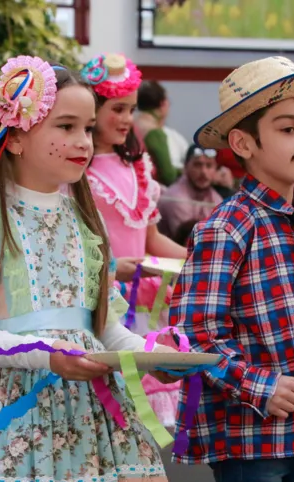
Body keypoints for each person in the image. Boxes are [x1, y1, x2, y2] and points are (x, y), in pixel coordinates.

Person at [0, 58, 175, 482]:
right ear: (14, 137)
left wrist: (150, 355)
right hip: (9, 415)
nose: (83, 142)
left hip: (88, 420)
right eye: (66, 126)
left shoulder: (88, 223)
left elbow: (103, 330)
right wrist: (45, 356)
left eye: (88, 129)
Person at [170, 56, 294, 482]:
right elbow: (195, 332)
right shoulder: (227, 228)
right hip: (250, 434)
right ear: (242, 143)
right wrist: (259, 386)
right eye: (288, 128)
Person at [81, 53, 189, 429]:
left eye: (131, 109)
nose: (128, 119)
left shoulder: (138, 167)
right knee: (106, 405)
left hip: (142, 302)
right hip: (101, 299)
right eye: (118, 109)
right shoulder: (78, 170)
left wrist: (197, 259)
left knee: (144, 419)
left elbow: (152, 239)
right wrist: (112, 268)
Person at [157, 145, 223, 239]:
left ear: (216, 169)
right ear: (185, 166)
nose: (203, 171)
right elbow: (189, 241)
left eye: (209, 166)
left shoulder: (217, 200)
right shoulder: (176, 198)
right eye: (197, 165)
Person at [135, 80, 189, 185]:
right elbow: (168, 175)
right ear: (162, 104)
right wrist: (182, 172)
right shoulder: (154, 132)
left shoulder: (131, 123)